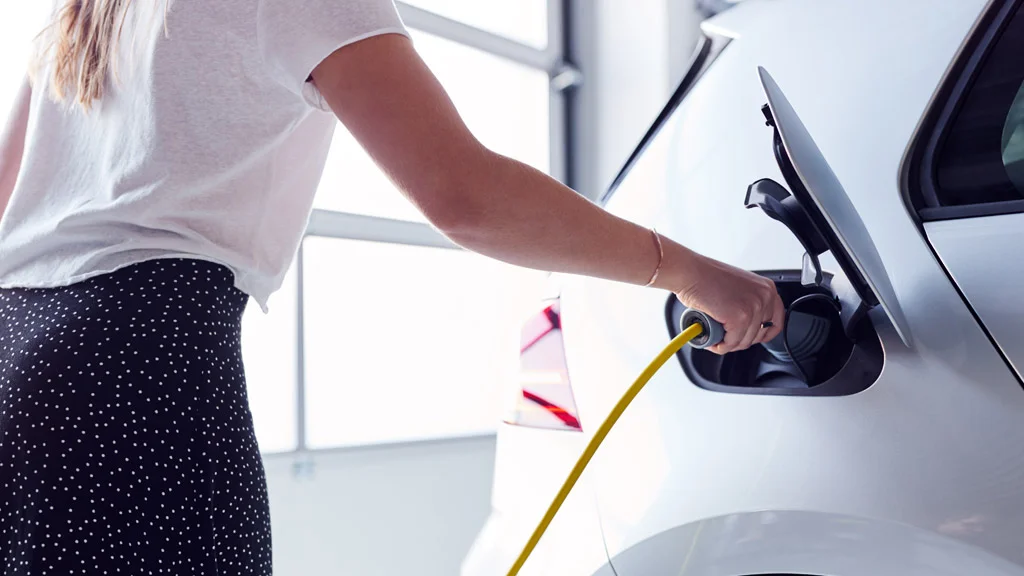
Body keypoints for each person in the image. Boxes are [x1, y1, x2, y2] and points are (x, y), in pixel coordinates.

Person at [0, 0, 785, 573]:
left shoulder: (83, 12)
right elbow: (464, 195)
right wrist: (690, 271)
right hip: (133, 365)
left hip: (17, 353)